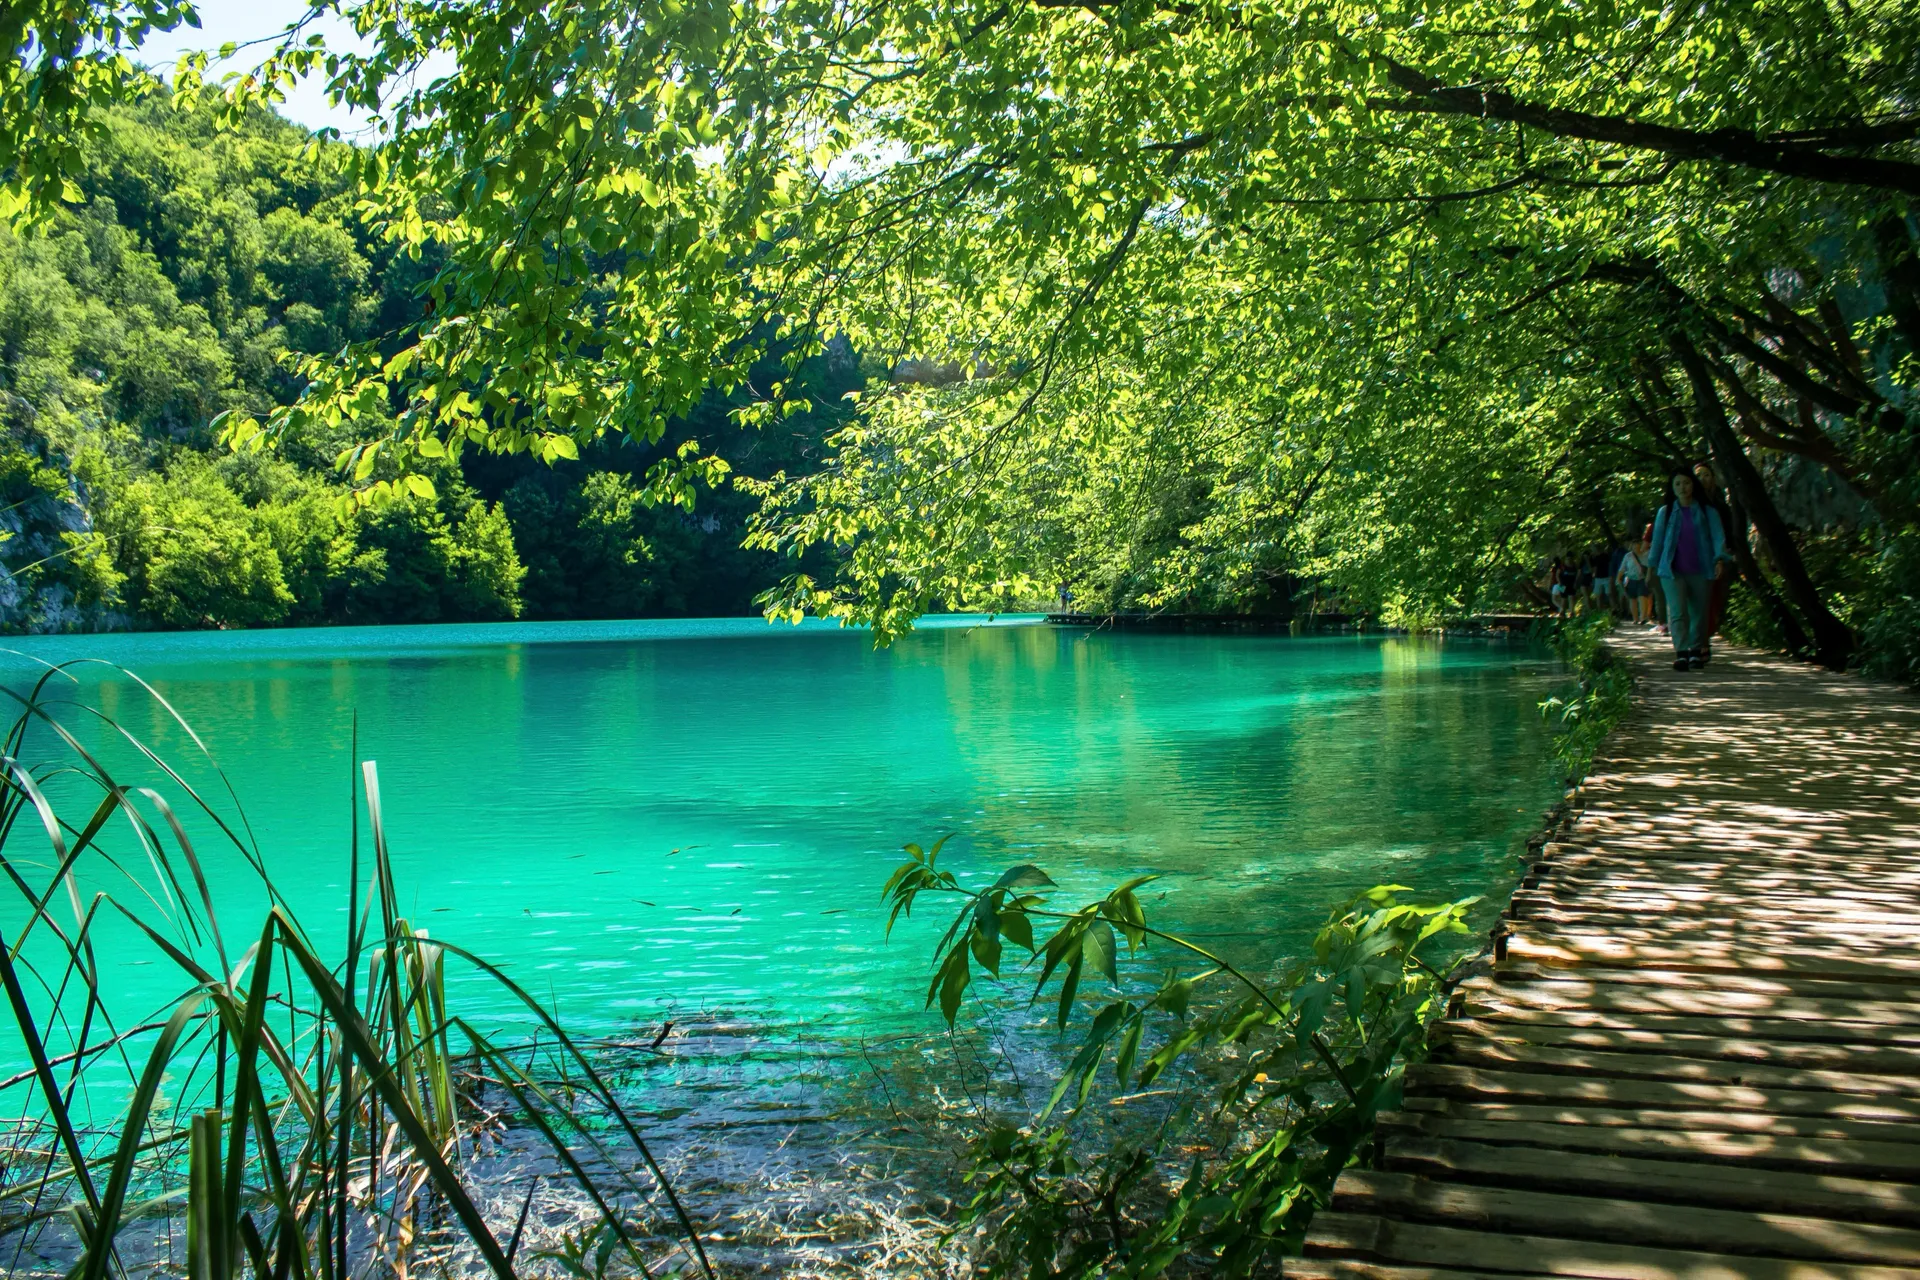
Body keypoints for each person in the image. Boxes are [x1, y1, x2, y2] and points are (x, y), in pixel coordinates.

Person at [1648, 470, 1730, 671]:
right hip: (1671, 571)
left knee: (1699, 613)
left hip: (1702, 569)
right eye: (1677, 484)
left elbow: (1718, 536)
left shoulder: (1707, 511)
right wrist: (1651, 568)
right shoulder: (1665, 512)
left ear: (1693, 485)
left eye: (1686, 483)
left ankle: (1696, 651)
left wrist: (1719, 559)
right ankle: (1681, 652)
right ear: (1672, 488)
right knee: (1677, 612)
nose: (1682, 487)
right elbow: (1657, 542)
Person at [1693, 461, 1734, 642]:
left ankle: (1704, 638)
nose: (1702, 479)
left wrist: (1725, 556)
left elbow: (1727, 532)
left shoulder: (1719, 506)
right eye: (1698, 475)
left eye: (1706, 475)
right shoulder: (1684, 506)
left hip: (1714, 558)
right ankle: (1696, 638)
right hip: (1690, 558)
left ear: (1713, 479)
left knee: (1712, 598)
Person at [1616, 531, 1652, 626]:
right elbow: (1622, 568)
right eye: (1634, 546)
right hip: (1630, 579)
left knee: (1642, 597)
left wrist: (1648, 576)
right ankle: (1635, 619)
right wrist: (1618, 578)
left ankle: (1643, 618)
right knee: (1632, 599)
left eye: (1638, 545)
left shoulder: (1646, 554)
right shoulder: (1628, 556)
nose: (1636, 547)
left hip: (1642, 579)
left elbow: (1650, 566)